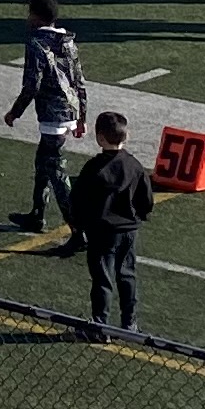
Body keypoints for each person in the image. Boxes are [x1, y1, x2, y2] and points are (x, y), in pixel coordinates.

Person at [63, 112, 152, 332]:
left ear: (100, 138)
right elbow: (146, 199)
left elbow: (78, 199)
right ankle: (129, 323)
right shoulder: (134, 166)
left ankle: (100, 327)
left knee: (102, 278)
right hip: (128, 230)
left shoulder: (94, 168)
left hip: (101, 232)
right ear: (126, 136)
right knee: (127, 275)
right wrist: (138, 217)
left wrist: (79, 224)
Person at [3, 0, 85, 230]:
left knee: (57, 172)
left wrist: (14, 112)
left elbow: (32, 84)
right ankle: (37, 214)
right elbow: (79, 80)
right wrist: (82, 117)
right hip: (69, 110)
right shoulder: (68, 40)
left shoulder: (36, 43)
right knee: (43, 163)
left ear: (36, 17)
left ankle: (77, 230)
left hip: (52, 115)